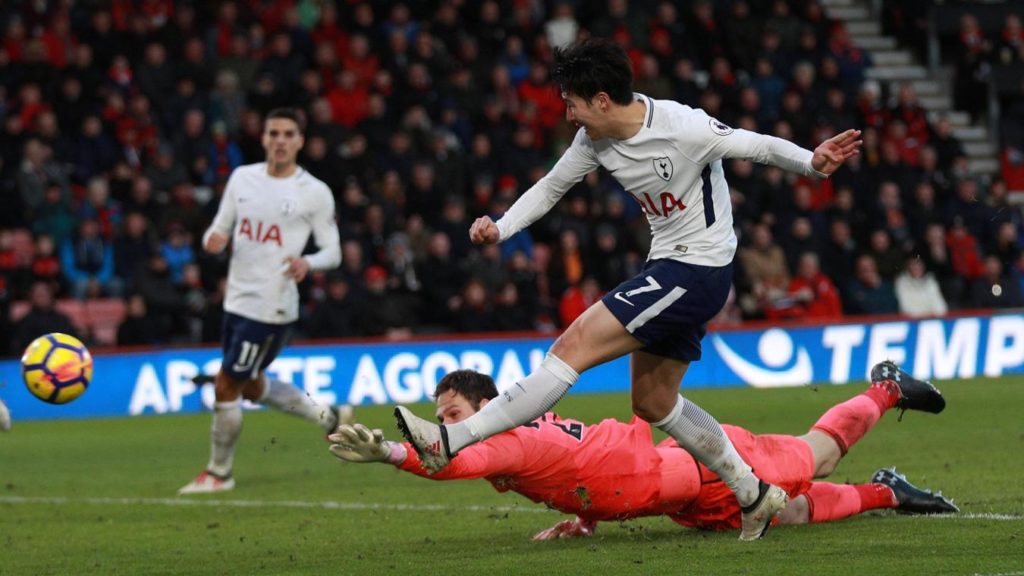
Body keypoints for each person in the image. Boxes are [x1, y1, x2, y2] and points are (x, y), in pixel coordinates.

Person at [394, 38, 862, 540]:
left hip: (697, 270)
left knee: (571, 347)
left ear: (600, 99)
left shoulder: (684, 127)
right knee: (654, 402)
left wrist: (811, 163)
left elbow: (757, 145)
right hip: (669, 265)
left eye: (572, 103)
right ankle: (752, 493)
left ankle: (452, 439)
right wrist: (502, 228)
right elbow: (551, 188)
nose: (568, 115)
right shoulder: (594, 141)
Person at [337, 365, 954, 539]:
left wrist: (395, 453)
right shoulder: (521, 429)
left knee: (817, 458)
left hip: (707, 465)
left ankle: (886, 386)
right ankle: (890, 491)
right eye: (441, 417)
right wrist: (586, 516)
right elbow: (584, 465)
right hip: (675, 501)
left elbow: (456, 463)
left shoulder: (507, 441)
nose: (446, 427)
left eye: (453, 417)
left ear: (483, 410)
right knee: (792, 513)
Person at [178, 108, 344, 495]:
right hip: (236, 302)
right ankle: (329, 417)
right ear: (264, 138)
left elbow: (333, 252)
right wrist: (211, 242)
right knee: (250, 386)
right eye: (274, 133)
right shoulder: (242, 178)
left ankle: (219, 473)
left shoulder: (314, 192)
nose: (280, 140)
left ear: (300, 141)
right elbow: (216, 231)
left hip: (273, 308)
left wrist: (308, 262)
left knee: (226, 383)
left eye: (289, 133)